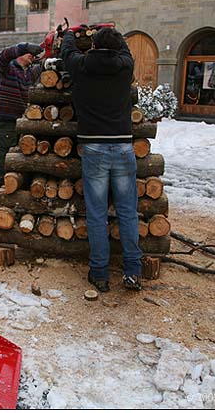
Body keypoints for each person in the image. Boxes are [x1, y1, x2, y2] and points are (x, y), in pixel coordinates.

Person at [61, 27, 143, 293]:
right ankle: (133, 272)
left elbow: (67, 50)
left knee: (97, 214)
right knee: (127, 212)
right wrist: (112, 33)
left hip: (93, 146)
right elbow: (125, 49)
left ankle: (99, 274)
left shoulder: (81, 66)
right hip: (123, 146)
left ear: (93, 46)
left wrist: (71, 33)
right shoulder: (125, 66)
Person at [0, 42, 43, 200]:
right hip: (6, 126)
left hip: (22, 126)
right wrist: (25, 47)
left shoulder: (28, 74)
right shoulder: (7, 69)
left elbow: (42, 65)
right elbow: (2, 56)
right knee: (4, 170)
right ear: (19, 54)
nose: (31, 55)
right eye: (28, 53)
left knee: (20, 168)